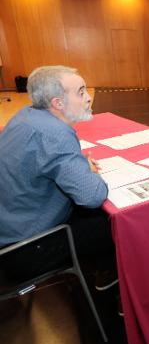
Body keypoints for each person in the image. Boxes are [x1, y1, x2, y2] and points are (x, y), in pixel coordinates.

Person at [0, 65, 116, 288]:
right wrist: (86, 171)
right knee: (113, 222)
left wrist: (79, 165)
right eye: (81, 92)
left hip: (9, 228)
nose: (89, 98)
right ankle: (107, 276)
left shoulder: (26, 115)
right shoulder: (55, 133)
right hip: (25, 249)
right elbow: (92, 195)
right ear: (57, 103)